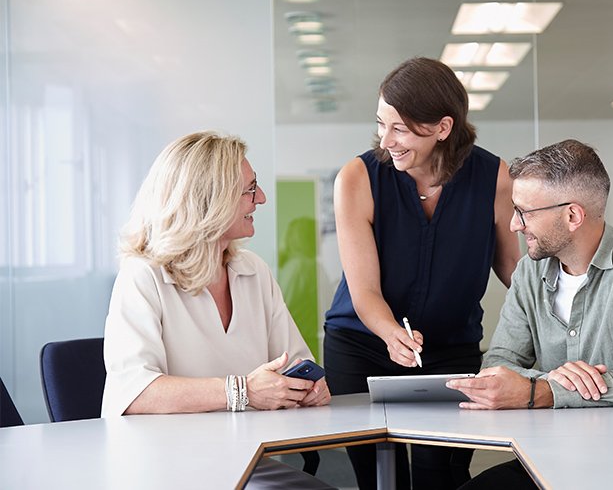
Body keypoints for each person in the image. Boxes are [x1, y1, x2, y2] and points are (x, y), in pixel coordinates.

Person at [323, 57, 521, 490]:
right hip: (364, 347)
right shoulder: (358, 178)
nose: (386, 139)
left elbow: (512, 267)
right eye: (381, 124)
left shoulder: (494, 177)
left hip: (451, 351)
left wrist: (561, 315)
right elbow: (365, 289)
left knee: (443, 476)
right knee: (380, 480)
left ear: (443, 127)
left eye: (400, 128)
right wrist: (391, 332)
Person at [446, 139, 613, 489]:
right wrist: (554, 380)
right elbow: (498, 362)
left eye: (524, 212)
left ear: (572, 215)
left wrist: (540, 391)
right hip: (550, 455)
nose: (514, 225)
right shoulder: (530, 271)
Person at [101, 132, 332, 488]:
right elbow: (134, 393)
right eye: (250, 189)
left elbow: (293, 365)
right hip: (161, 465)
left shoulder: (253, 271)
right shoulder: (143, 276)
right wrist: (243, 391)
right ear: (209, 200)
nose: (262, 198)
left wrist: (308, 389)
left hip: (245, 458)